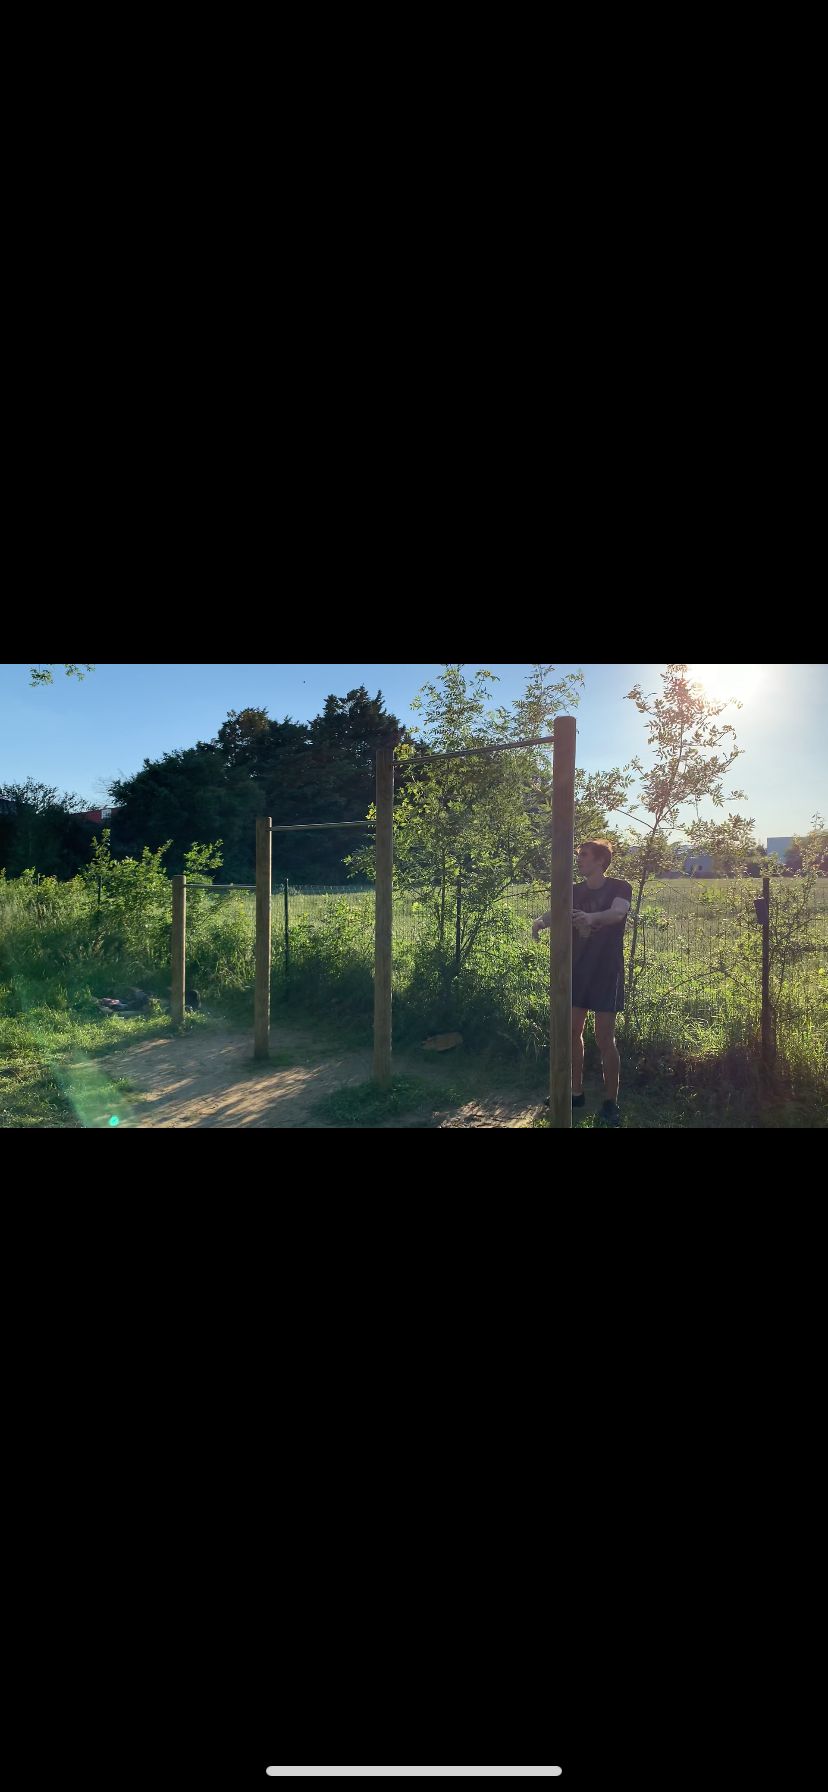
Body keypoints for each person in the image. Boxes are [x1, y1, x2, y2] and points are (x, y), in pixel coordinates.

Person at [532, 840, 632, 1126]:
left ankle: (611, 1101)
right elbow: (559, 912)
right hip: (578, 971)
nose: (579, 860)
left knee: (604, 1038)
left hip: (606, 972)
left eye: (584, 856)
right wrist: (540, 921)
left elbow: (618, 913)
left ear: (601, 860)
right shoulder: (575, 891)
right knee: (573, 1030)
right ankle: (575, 1092)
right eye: (578, 856)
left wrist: (590, 917)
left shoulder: (619, 887)